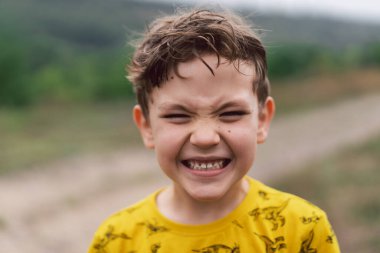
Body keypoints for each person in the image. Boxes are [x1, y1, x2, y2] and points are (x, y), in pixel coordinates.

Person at [88, 8, 340, 253]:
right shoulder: (116, 241)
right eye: (177, 116)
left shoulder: (303, 230)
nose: (205, 137)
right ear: (146, 127)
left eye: (231, 114)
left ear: (262, 120)